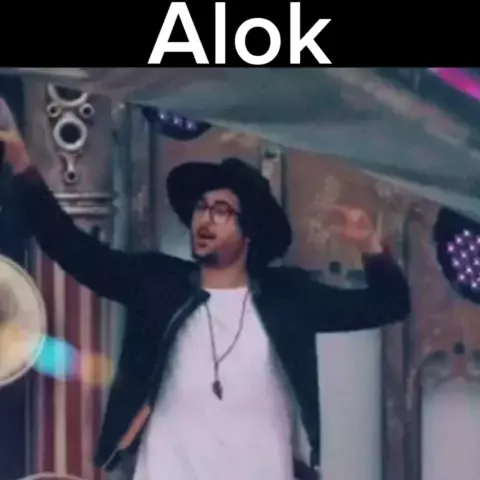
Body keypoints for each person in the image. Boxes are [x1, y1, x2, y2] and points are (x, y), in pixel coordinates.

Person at [0, 98, 410, 480]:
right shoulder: (159, 283)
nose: (205, 219)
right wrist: (23, 164)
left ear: (248, 231)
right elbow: (76, 251)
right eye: (201, 208)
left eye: (221, 211)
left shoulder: (288, 297)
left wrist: (371, 247)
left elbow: (388, 305)